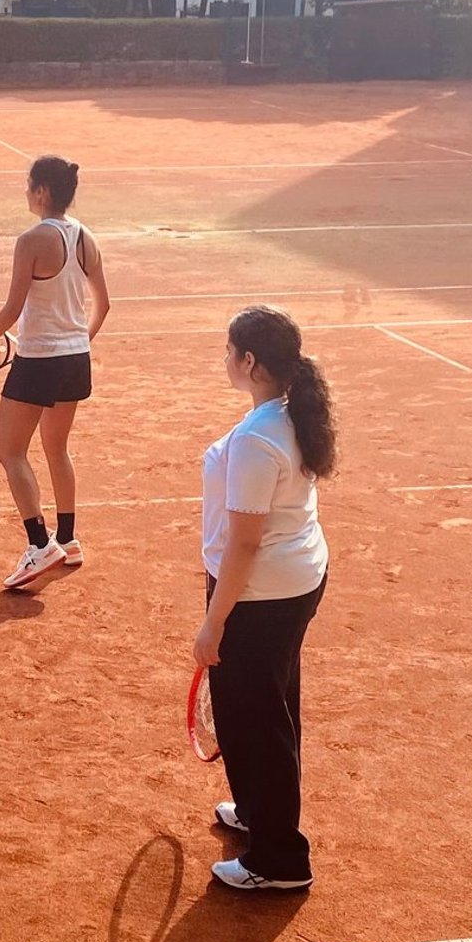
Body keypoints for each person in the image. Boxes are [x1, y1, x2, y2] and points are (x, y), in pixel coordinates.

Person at [194, 306, 334, 894]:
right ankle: (256, 810)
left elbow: (245, 544)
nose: (225, 360)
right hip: (291, 582)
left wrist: (213, 623)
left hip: (258, 594)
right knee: (263, 708)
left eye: (230, 352)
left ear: (250, 362)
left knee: (257, 722)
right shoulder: (283, 413)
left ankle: (280, 859)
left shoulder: (257, 439)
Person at [0, 154, 112, 592]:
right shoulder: (87, 237)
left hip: (39, 362)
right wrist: (75, 342)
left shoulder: (31, 240)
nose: (25, 191)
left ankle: (39, 545)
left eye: (28, 184)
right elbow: (103, 305)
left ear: (43, 192)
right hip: (76, 359)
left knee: (10, 452)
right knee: (56, 448)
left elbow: (13, 309)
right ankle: (68, 540)